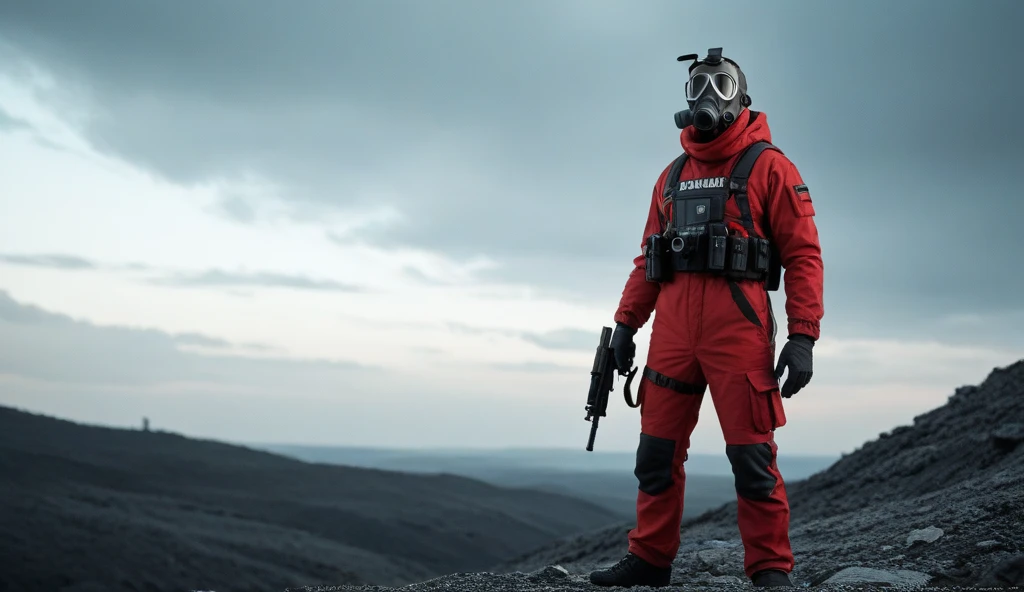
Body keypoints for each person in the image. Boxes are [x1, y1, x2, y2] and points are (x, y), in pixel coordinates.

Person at [589, 48, 824, 588]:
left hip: (737, 332)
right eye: (697, 86)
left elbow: (804, 255)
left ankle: (769, 569)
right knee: (655, 454)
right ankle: (649, 559)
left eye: (721, 85)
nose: (707, 97)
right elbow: (649, 258)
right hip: (672, 334)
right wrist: (626, 325)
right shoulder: (670, 177)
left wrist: (803, 335)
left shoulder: (770, 167)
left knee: (752, 458)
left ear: (742, 99)